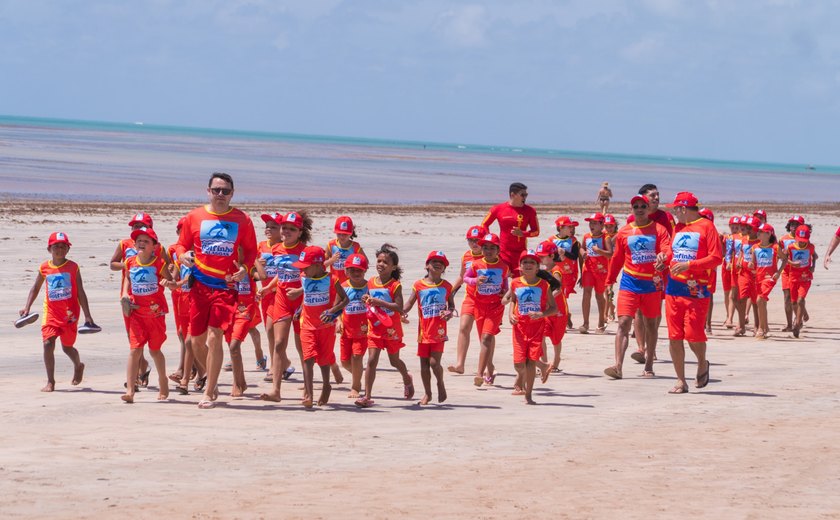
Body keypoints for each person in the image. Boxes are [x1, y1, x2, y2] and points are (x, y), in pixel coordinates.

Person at [174, 172, 258, 409]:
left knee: (215, 335)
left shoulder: (242, 220)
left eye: (226, 191)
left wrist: (245, 268)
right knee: (196, 342)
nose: (221, 195)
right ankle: (210, 377)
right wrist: (182, 256)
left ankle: (209, 391)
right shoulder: (194, 216)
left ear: (233, 193)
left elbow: (251, 251)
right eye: (217, 190)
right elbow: (182, 243)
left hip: (226, 287)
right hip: (199, 287)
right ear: (208, 191)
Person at [604, 195, 672, 379]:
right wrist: (609, 281)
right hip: (629, 282)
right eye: (636, 206)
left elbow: (667, 248)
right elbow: (617, 258)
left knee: (651, 325)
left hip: (652, 284)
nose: (640, 209)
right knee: (624, 322)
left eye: (643, 206)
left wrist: (663, 257)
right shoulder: (625, 232)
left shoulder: (659, 229)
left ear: (649, 208)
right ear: (631, 209)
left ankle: (649, 365)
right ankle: (618, 366)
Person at [19, 232, 96, 392]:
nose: (59, 249)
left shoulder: (73, 267)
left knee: (67, 348)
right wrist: (27, 307)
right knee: (48, 344)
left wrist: (88, 316)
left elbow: (81, 292)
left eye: (63, 246)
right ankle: (51, 381)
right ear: (49, 249)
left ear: (68, 249)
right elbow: (35, 288)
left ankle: (78, 365)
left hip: (70, 315)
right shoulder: (44, 267)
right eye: (56, 246)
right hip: (51, 314)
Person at [664, 193, 722, 394]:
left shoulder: (707, 227)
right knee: (674, 336)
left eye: (675, 209)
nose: (673, 213)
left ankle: (701, 362)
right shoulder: (678, 227)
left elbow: (716, 258)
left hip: (696, 288)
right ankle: (680, 380)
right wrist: (664, 258)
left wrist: (690, 265)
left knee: (693, 335)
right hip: (673, 287)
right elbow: (674, 251)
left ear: (683, 209)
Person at [259, 211, 311, 402]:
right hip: (281, 301)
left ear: (299, 232)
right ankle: (276, 390)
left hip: (300, 303)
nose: (286, 232)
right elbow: (280, 275)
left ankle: (308, 388)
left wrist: (299, 292)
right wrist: (267, 288)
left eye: (292, 229)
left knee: (301, 346)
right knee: (279, 343)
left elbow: (313, 278)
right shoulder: (277, 249)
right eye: (284, 228)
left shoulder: (306, 252)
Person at [120, 227, 175, 403]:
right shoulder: (130, 261)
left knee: (154, 350)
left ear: (154, 246)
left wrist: (168, 282)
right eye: (139, 241)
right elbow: (128, 278)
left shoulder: (159, 263)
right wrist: (125, 293)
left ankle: (163, 380)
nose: (142, 244)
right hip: (136, 313)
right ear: (134, 244)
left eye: (146, 241)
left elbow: (172, 283)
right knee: (135, 349)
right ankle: (130, 389)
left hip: (155, 314)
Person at [355, 244, 414, 408]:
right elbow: (369, 299)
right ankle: (367, 396)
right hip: (374, 328)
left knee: (394, 361)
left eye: (385, 262)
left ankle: (406, 377)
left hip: (391, 330)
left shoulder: (395, 285)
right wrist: (366, 299)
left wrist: (379, 302)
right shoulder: (371, 282)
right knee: (371, 360)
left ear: (393, 266)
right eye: (379, 261)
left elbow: (399, 307)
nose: (381, 264)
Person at [292, 246, 348, 408]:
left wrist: (331, 311)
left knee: (324, 359)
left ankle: (326, 385)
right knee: (308, 358)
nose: (302, 270)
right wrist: (300, 309)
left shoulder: (332, 279)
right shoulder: (304, 277)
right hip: (307, 325)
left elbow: (345, 300)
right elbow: (307, 295)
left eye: (305, 266)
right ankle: (308, 394)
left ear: (317, 265)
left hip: (326, 326)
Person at [109, 212, 159, 387]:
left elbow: (164, 266)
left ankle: (140, 373)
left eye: (140, 226)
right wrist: (132, 263)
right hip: (128, 295)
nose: (136, 229)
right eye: (134, 226)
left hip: (149, 298)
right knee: (133, 337)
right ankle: (140, 370)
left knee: (147, 336)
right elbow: (113, 264)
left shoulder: (154, 245)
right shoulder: (125, 244)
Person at [403, 251, 456, 405]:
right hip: (423, 331)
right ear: (427, 265)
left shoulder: (447, 286)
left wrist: (449, 312)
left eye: (441, 262)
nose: (438, 264)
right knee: (424, 365)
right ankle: (427, 393)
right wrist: (401, 312)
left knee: (434, 362)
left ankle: (440, 382)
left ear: (444, 268)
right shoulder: (418, 285)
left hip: (439, 330)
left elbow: (451, 306)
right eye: (434, 261)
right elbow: (409, 303)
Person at [505, 249, 557, 404]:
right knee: (519, 364)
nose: (528, 265)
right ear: (520, 266)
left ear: (537, 267)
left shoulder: (543, 285)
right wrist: (510, 314)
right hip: (519, 327)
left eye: (532, 263)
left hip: (536, 328)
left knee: (531, 361)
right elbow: (513, 300)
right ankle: (542, 367)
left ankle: (528, 395)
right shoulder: (515, 283)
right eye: (525, 262)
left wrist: (541, 314)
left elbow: (553, 308)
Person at [463, 233, 510, 388]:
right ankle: (490, 369)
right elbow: (466, 278)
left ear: (498, 250)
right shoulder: (476, 264)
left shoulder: (503, 266)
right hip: (479, 305)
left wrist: (504, 293)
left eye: (492, 248)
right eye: (485, 247)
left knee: (486, 339)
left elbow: (505, 285)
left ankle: (479, 374)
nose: (488, 251)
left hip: (495, 307)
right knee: (483, 340)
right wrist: (475, 281)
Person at [223, 257, 264, 397]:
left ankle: (237, 383)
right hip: (227, 307)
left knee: (234, 345)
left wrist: (255, 260)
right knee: (231, 347)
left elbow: (263, 276)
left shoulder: (249, 266)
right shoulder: (224, 263)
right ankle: (241, 382)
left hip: (246, 308)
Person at [447, 225, 486, 375]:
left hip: (486, 300)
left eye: (477, 240)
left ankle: (488, 367)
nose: (474, 243)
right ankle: (460, 364)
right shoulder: (466, 256)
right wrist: (449, 292)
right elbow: (462, 276)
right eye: (471, 240)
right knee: (463, 328)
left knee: (484, 334)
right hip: (470, 298)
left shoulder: (489, 255)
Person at [481, 182, 539, 276]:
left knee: (519, 282)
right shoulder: (498, 208)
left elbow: (536, 232)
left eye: (526, 195)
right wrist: (489, 240)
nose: (525, 197)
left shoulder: (530, 211)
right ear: (513, 194)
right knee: (499, 279)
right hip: (503, 252)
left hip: (520, 253)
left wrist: (523, 233)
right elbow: (484, 224)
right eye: (522, 195)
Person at [166, 217, 194, 386]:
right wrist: (170, 276)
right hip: (179, 297)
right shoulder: (173, 251)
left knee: (192, 337)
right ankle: (186, 369)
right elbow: (172, 273)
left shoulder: (198, 253)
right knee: (182, 334)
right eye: (181, 230)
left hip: (193, 299)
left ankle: (185, 370)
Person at [337, 253, 369, 398]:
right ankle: (360, 375)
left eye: (359, 270)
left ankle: (355, 386)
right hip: (346, 330)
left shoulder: (369, 287)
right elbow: (336, 306)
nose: (356, 273)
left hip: (363, 330)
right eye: (353, 270)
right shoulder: (343, 287)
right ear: (346, 271)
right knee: (344, 362)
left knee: (357, 357)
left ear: (365, 271)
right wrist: (338, 321)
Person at [256, 212, 282, 378]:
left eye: (273, 227)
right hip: (265, 294)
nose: (269, 229)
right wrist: (259, 266)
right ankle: (282, 363)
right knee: (269, 331)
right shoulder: (261, 246)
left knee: (271, 329)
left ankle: (275, 366)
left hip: (279, 294)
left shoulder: (283, 247)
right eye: (267, 226)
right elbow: (255, 275)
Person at [748, 223, 786, 340]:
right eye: (758, 231)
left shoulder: (775, 247)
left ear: (769, 234)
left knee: (760, 300)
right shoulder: (755, 247)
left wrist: (778, 272)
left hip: (769, 278)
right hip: (758, 278)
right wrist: (751, 265)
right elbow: (753, 264)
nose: (758, 233)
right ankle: (765, 328)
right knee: (762, 302)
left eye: (761, 232)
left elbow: (784, 259)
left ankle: (760, 328)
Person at [535, 240, 568, 373]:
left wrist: (547, 298)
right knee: (542, 334)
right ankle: (544, 362)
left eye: (543, 256)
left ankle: (556, 359)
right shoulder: (541, 271)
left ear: (552, 256)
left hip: (559, 309)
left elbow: (558, 288)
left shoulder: (556, 271)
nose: (540, 259)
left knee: (556, 338)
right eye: (539, 256)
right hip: (547, 309)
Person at [578, 212, 612, 334]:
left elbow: (610, 253)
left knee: (599, 296)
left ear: (602, 224)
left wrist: (599, 251)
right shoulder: (586, 236)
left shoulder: (605, 237)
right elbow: (581, 248)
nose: (591, 225)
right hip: (588, 269)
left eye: (594, 223)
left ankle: (601, 322)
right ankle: (585, 323)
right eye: (590, 223)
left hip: (601, 271)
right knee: (586, 294)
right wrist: (582, 253)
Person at [787, 225, 817, 338]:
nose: (802, 243)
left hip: (805, 277)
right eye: (800, 240)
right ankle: (802, 313)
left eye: (804, 241)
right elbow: (785, 258)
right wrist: (792, 263)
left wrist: (813, 266)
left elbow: (814, 256)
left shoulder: (811, 247)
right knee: (794, 302)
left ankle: (797, 324)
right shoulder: (791, 247)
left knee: (801, 299)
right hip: (793, 277)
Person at [550, 215, 581, 328]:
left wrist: (564, 253)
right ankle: (563, 317)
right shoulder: (551, 240)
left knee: (563, 295)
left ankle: (565, 315)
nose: (571, 229)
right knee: (559, 294)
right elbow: (549, 256)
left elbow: (574, 256)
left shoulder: (573, 241)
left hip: (569, 273)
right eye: (569, 227)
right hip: (556, 272)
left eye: (572, 227)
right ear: (561, 228)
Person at [733, 216, 761, 337]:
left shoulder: (760, 242)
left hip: (755, 275)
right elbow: (741, 252)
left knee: (755, 301)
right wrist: (739, 260)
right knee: (741, 298)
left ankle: (757, 325)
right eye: (747, 227)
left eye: (751, 228)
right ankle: (742, 326)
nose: (748, 230)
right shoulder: (744, 239)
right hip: (743, 273)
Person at [779, 215, 806, 331]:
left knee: (797, 298)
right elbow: (780, 256)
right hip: (786, 272)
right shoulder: (783, 239)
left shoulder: (804, 240)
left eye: (797, 225)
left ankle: (799, 319)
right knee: (787, 298)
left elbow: (810, 256)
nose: (794, 227)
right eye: (792, 224)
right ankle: (790, 324)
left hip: (799, 273)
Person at [324, 216, 366, 284]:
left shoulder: (355, 247)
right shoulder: (331, 245)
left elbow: (365, 263)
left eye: (345, 234)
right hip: (335, 284)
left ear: (351, 232)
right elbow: (321, 266)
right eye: (339, 233)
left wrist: (357, 276)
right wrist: (331, 260)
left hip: (350, 284)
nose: (341, 236)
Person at [698, 208, 719, 333]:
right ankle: (700, 321)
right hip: (697, 265)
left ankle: (708, 322)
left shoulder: (713, 232)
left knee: (709, 294)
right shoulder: (698, 229)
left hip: (709, 268)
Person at [721, 216, 740, 329]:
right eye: (732, 226)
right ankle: (728, 316)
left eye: (736, 226)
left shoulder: (742, 238)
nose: (734, 228)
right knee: (726, 293)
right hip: (726, 266)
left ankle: (732, 318)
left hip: (736, 267)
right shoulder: (727, 237)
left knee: (734, 294)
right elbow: (726, 252)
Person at [603, 214, 618, 322]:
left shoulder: (619, 235)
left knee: (609, 290)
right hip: (603, 265)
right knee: (604, 291)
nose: (608, 228)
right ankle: (611, 307)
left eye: (611, 226)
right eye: (607, 226)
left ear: (615, 225)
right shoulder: (602, 235)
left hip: (613, 266)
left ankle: (606, 314)